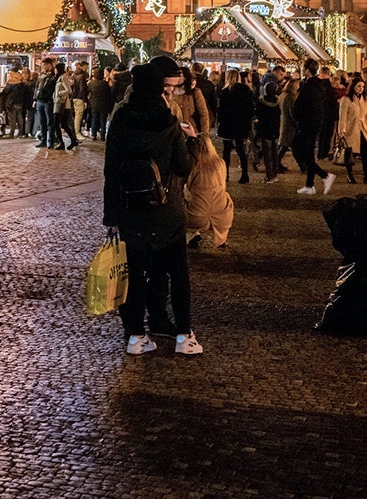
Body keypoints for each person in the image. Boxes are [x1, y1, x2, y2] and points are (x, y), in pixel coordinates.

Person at [103, 58, 200, 355]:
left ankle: (136, 337)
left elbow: (111, 171)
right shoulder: (168, 122)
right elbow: (183, 167)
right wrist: (192, 142)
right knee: (178, 273)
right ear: (158, 88)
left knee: (135, 274)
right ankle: (185, 337)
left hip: (132, 210)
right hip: (166, 211)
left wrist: (112, 216)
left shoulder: (120, 120)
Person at [183, 130, 234, 249]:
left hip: (196, 216)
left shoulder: (194, 165)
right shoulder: (220, 163)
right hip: (223, 215)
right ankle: (221, 238)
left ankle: (191, 235)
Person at [292, 59, 336, 195]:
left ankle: (325, 175)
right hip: (316, 123)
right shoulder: (319, 85)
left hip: (307, 123)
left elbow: (300, 106)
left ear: (306, 70)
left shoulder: (308, 87)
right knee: (309, 153)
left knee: (299, 150)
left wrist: (297, 116)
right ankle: (310, 185)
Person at [214, 68, 256, 183]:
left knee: (226, 150)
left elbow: (221, 109)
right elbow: (250, 109)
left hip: (228, 124)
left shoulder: (225, 91)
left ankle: (225, 174)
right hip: (240, 124)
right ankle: (244, 174)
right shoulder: (246, 90)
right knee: (241, 149)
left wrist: (220, 121)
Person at [338, 76, 367, 184]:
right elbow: (342, 117)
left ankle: (366, 174)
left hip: (363, 129)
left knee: (366, 153)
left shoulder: (364, 99)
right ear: (353, 87)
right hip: (351, 130)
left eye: (362, 86)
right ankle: (349, 174)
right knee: (350, 154)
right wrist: (342, 131)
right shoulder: (346, 100)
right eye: (359, 86)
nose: (361, 88)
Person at [52, 63, 80, 150]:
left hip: (61, 104)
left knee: (56, 124)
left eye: (56, 69)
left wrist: (59, 93)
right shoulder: (62, 77)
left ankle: (62, 143)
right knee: (64, 124)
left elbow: (69, 90)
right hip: (61, 103)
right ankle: (72, 140)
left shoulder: (63, 77)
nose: (55, 70)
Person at [34, 58, 57, 148]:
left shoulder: (53, 76)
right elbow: (37, 87)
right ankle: (43, 140)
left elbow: (52, 88)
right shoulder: (41, 75)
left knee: (49, 122)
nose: (43, 67)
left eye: (44, 65)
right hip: (40, 101)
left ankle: (50, 141)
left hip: (48, 101)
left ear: (49, 65)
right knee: (42, 121)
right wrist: (35, 99)